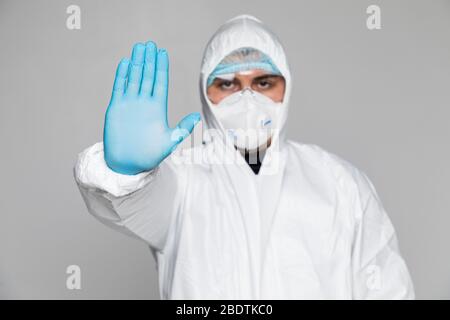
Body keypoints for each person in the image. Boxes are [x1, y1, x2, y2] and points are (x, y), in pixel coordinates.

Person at [74, 15, 414, 299]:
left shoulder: (340, 183)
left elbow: (387, 288)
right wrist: (124, 171)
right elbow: (130, 204)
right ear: (205, 94)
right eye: (228, 84)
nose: (248, 99)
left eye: (264, 82)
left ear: (287, 87)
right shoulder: (182, 180)